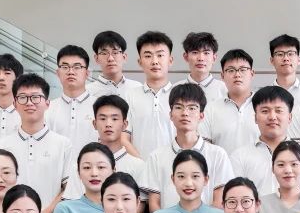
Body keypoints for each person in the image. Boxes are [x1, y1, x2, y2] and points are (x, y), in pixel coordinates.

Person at [143, 83, 233, 212]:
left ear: (201, 115)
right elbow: (154, 204)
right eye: (179, 107)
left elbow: (219, 202)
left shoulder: (218, 154)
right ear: (170, 115)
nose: (185, 113)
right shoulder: (156, 156)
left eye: (192, 108)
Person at [0, 73, 74, 213]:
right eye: (23, 97)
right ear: (15, 104)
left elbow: (68, 188)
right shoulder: (3, 145)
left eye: (35, 97)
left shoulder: (63, 144)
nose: (29, 103)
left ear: (47, 103)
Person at [230, 86, 300, 196]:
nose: (272, 117)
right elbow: (235, 197)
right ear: (255, 118)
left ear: (290, 117)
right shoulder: (239, 156)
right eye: (265, 111)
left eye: (279, 111)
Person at [61, 95, 147, 213]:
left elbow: (139, 210)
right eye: (103, 118)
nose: (108, 124)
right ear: (94, 123)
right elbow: (71, 207)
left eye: (114, 119)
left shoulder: (138, 166)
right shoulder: (81, 166)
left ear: (125, 124)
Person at [49, 143, 125, 213]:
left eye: (101, 167)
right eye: (87, 167)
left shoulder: (127, 209)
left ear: (113, 171)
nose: (94, 173)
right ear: (78, 173)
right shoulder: (65, 210)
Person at [126, 31, 176, 159]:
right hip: (139, 167)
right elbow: (124, 138)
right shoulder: (130, 96)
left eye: (160, 55)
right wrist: (143, 165)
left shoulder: (181, 96)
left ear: (170, 60)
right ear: (140, 62)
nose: (155, 61)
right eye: (148, 56)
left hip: (176, 167)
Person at [199, 48, 258, 153]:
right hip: (220, 164)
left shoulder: (264, 107)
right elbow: (205, 148)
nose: (237, 75)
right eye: (231, 70)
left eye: (243, 69)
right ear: (222, 75)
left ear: (252, 73)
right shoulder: (211, 109)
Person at [46, 45, 100, 156]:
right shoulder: (48, 108)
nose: (71, 72)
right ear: (58, 73)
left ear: (87, 73)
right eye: (65, 67)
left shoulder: (100, 107)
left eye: (77, 67)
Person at [86, 30, 143, 100]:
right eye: (104, 53)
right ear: (96, 58)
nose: (110, 58)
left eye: (115, 53)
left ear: (124, 57)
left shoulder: (137, 88)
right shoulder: (87, 92)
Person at [268, 34, 300, 106]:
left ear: (298, 60)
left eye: (290, 54)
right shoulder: (263, 95)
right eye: (280, 54)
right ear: (272, 60)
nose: (286, 58)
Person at [176, 32, 226, 101]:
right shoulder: (175, 89)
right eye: (195, 52)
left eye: (206, 53)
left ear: (214, 58)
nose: (201, 58)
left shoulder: (225, 90)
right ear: (186, 57)